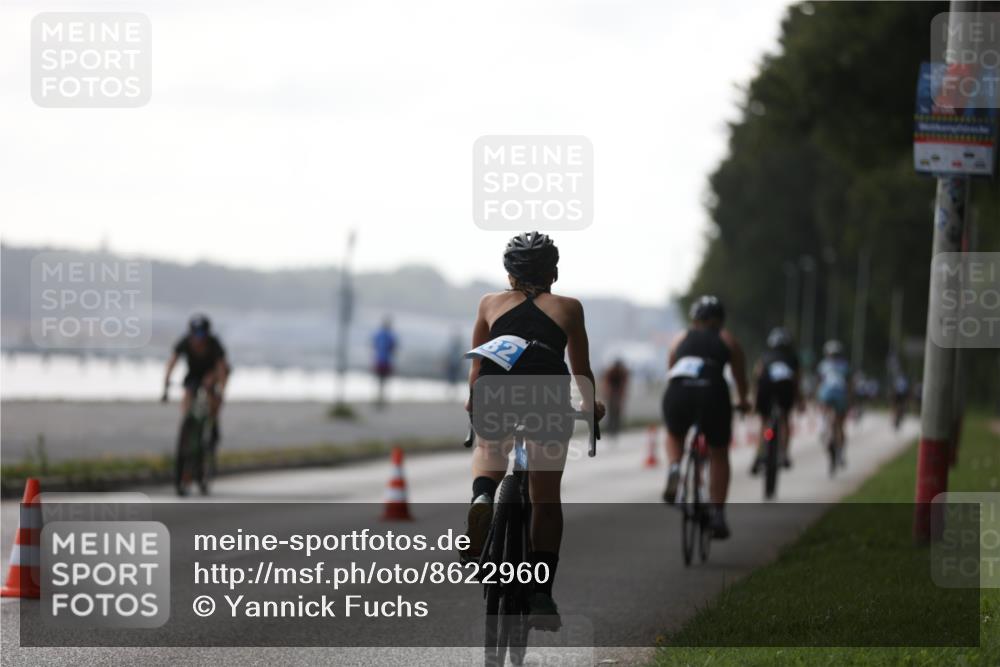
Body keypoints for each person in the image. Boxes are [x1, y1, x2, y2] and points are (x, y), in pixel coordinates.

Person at [461, 231, 605, 626]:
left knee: (490, 450)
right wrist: (591, 406)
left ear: (509, 275)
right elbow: (581, 372)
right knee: (545, 500)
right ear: (553, 272)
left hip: (495, 391)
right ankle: (541, 594)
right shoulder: (569, 308)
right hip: (546, 397)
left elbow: (477, 369)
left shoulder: (489, 303)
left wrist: (474, 402)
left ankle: (483, 498)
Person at [661, 295, 749, 540]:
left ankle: (675, 466)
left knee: (674, 433)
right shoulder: (727, 339)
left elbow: (670, 369)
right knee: (719, 451)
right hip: (712, 392)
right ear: (720, 320)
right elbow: (740, 378)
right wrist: (743, 400)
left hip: (678, 391)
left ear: (695, 320)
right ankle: (718, 514)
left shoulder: (680, 339)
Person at [162, 314, 229, 445]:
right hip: (193, 374)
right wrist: (166, 382)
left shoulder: (214, 344)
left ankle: (213, 423)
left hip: (212, 373)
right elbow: (172, 362)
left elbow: (222, 368)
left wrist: (221, 389)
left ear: (207, 334)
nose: (198, 338)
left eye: (202, 334)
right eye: (195, 334)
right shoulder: (185, 342)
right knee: (188, 393)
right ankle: (187, 422)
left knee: (211, 394)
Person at [751, 327, 800, 472]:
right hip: (785, 389)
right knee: (784, 419)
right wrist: (800, 400)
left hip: (766, 387)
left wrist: (754, 402)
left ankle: (759, 455)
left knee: (764, 421)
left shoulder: (764, 357)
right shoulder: (793, 358)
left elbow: (757, 379)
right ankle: (784, 454)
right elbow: (796, 382)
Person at [817, 340, 851, 463]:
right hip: (841, 395)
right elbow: (849, 385)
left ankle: (822, 428)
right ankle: (841, 454)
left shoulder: (823, 365)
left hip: (826, 395)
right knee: (840, 425)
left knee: (824, 412)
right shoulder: (845, 365)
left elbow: (820, 383)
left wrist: (818, 399)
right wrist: (851, 400)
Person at [372, 317, 398, 409]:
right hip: (386, 361)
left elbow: (374, 345)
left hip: (379, 360)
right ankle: (381, 399)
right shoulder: (390, 335)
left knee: (379, 381)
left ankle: (379, 398)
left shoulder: (378, 334)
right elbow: (394, 347)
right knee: (384, 381)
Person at [601, 359, 630, 439]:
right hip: (611, 392)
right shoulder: (610, 371)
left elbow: (624, 384)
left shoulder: (623, 372)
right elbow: (606, 384)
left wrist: (621, 396)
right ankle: (610, 430)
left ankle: (616, 429)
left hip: (618, 392)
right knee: (610, 412)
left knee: (617, 412)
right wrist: (607, 394)